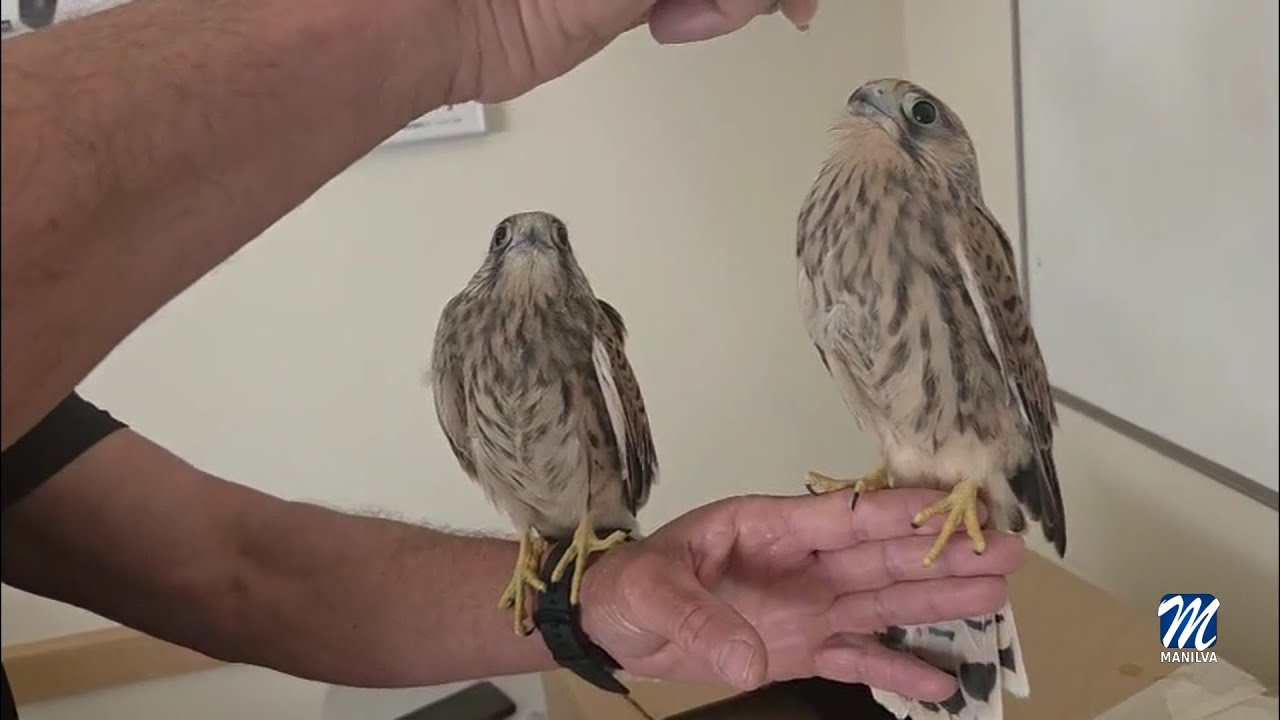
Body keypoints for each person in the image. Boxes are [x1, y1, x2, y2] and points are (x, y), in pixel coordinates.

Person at [0, 1, 1028, 718]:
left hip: (942, 480)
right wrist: (461, 23)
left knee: (1140, 636)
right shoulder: (467, 334)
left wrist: (586, 601)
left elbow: (237, 574)